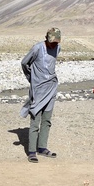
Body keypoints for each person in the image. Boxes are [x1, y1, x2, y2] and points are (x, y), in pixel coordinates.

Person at [20, 28, 61, 163]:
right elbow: (24, 63)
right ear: (47, 39)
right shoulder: (37, 48)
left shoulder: (58, 48)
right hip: (38, 90)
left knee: (47, 120)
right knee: (35, 120)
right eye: (52, 42)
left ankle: (42, 147)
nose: (54, 45)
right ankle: (32, 151)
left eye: (56, 42)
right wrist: (31, 78)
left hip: (51, 88)